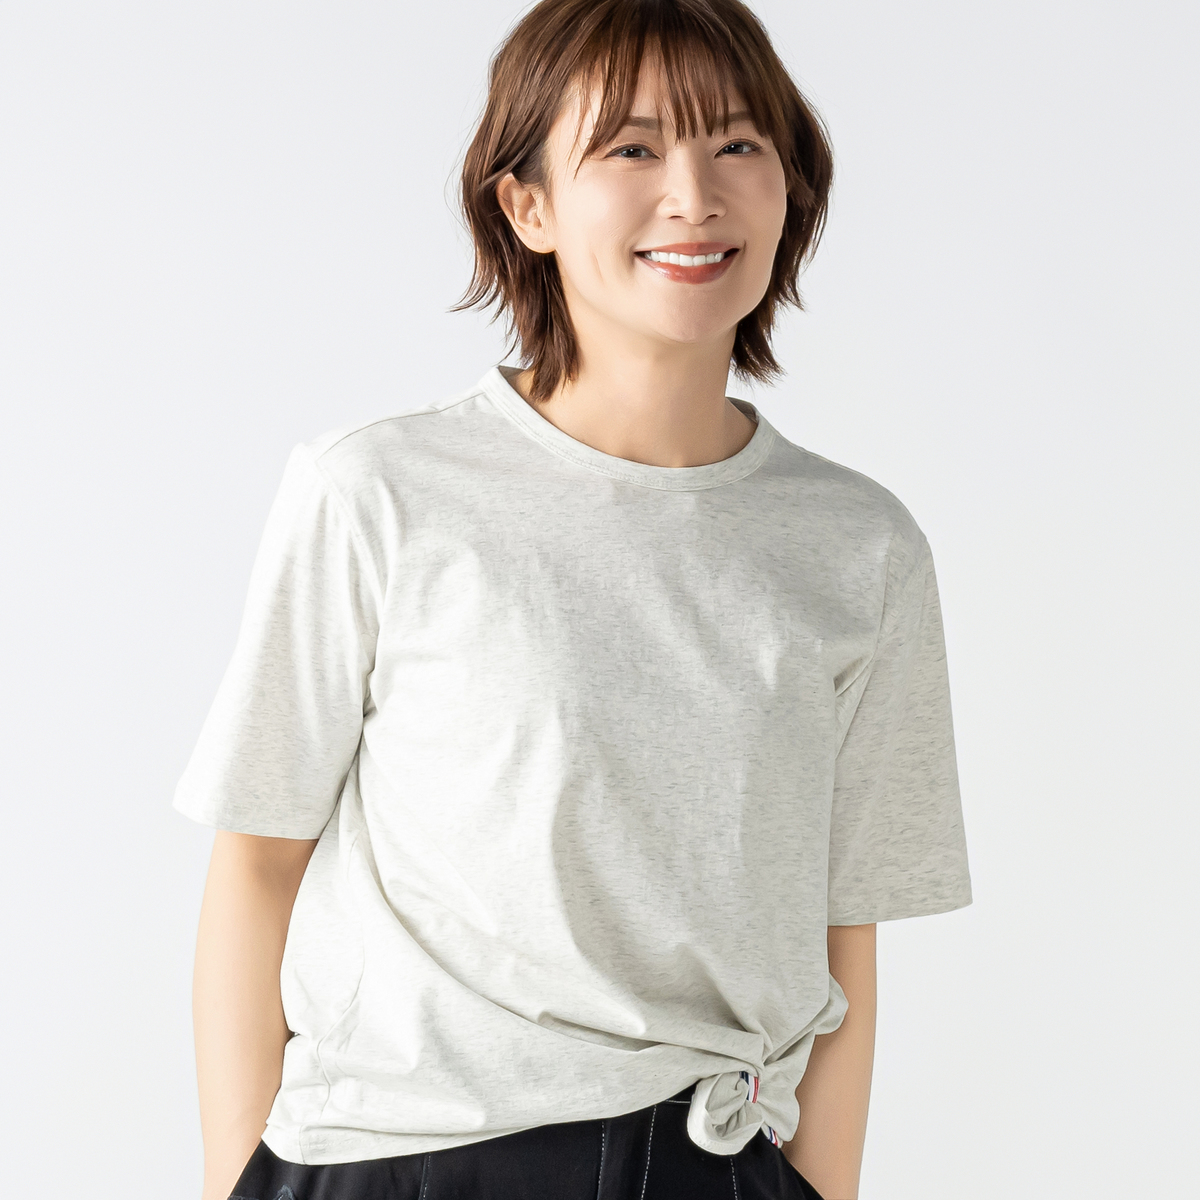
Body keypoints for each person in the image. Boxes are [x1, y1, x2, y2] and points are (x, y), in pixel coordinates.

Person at [175, 1, 973, 1197]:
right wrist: (234, 1179)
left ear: (790, 190)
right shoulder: (380, 491)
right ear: (527, 205)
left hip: (712, 1162)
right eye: (633, 148)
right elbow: (256, 863)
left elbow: (843, 925)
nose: (693, 195)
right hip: (402, 1160)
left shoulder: (862, 547)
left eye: (738, 143)